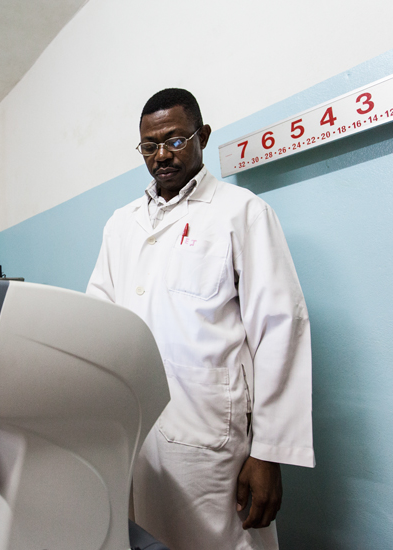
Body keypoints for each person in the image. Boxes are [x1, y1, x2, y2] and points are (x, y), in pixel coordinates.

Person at [87, 89, 314, 550]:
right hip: (135, 436)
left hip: (211, 438)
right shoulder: (120, 224)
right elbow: (99, 319)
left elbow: (279, 329)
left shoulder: (241, 212)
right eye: (149, 146)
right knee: (145, 538)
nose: (161, 156)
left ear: (202, 136)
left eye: (174, 141)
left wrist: (269, 453)